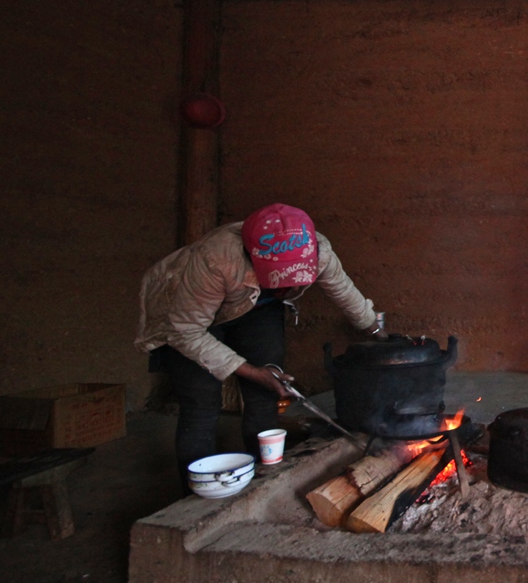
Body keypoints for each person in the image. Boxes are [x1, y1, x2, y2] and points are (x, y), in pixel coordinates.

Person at [136, 203, 383, 474]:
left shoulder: (316, 250)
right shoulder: (216, 259)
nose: (294, 288)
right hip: (188, 315)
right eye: (283, 280)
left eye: (299, 279)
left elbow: (343, 291)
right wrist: (253, 371)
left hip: (256, 307)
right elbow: (187, 330)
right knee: (201, 402)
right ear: (253, 259)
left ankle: (262, 476)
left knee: (266, 393)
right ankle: (196, 493)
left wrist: (376, 332)